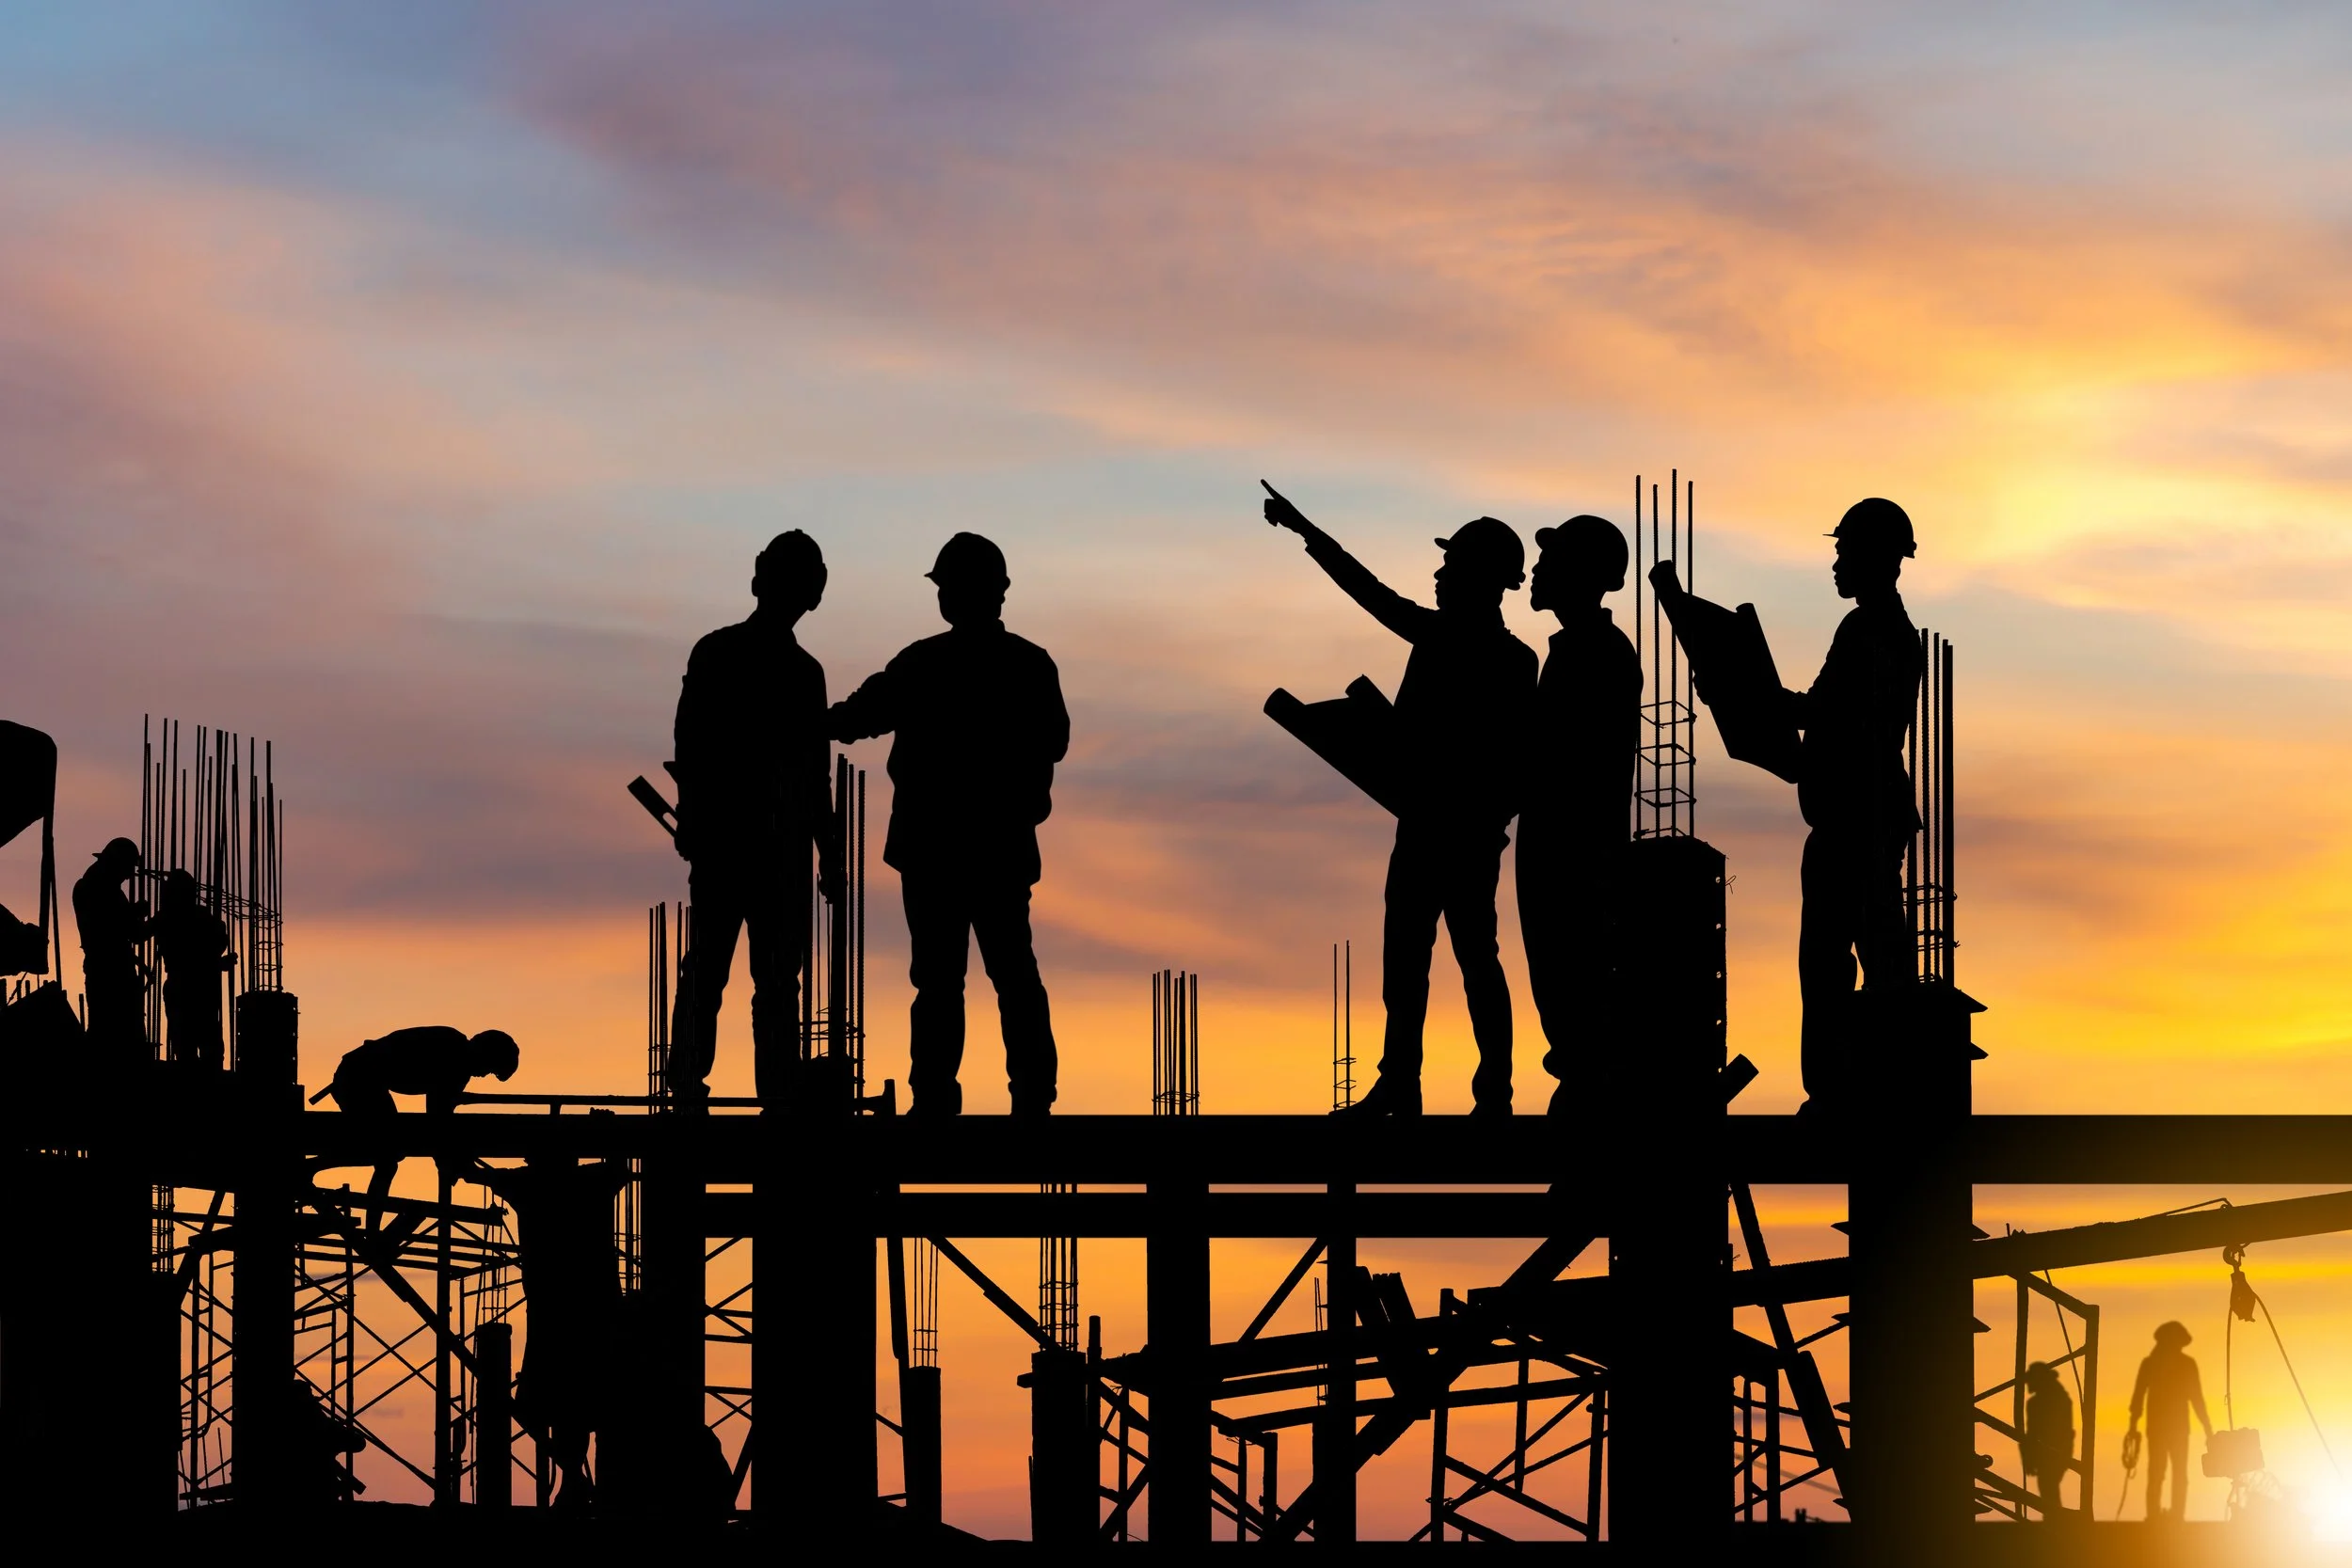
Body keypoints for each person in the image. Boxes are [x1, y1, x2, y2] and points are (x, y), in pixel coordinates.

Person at [1263, 489, 1537, 1117]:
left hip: (1458, 835)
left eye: (1452, 567)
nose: (1439, 576)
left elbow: (1524, 760)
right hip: (1429, 828)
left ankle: (1487, 1091)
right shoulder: (1475, 647)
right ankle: (1408, 1085)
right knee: (1411, 961)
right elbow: (1370, 592)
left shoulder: (1495, 656)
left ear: (1483, 579)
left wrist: (1307, 528)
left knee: (1470, 961)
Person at [832, 532, 1070, 1119]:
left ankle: (937, 1101)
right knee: (1011, 973)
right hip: (995, 849)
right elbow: (1056, 742)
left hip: (937, 849)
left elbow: (856, 718)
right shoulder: (1028, 665)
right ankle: (1031, 1099)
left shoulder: (923, 664)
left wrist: (802, 720)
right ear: (1001, 592)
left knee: (942, 982)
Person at [670, 529, 840, 1109]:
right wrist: (829, 853)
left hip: (759, 848)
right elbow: (691, 746)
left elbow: (813, 776)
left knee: (740, 978)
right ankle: (744, 1092)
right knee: (736, 977)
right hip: (747, 845)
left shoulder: (739, 657)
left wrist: (829, 852)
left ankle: (731, 1089)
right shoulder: (739, 658)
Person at [1787, 499, 1925, 1113]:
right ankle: (1864, 1084)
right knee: (1854, 954)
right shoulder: (1871, 630)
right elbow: (1824, 712)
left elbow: (1836, 718)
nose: (1836, 563)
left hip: (1858, 819)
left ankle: (1850, 1088)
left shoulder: (1877, 634)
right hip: (1854, 814)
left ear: (1875, 557)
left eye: (1845, 551)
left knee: (1840, 957)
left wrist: (1761, 699)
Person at [1517, 516, 1640, 1117]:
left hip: (1573, 854)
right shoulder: (1577, 650)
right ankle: (1582, 1094)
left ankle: (1587, 1109)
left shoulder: (1596, 654)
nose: (1538, 569)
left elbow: (1571, 760)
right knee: (1560, 986)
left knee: (1573, 983)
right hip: (1559, 845)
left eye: (1553, 557)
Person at [475, 1154, 630, 1511]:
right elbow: (621, 1168)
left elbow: (474, 1174)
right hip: (597, 1311)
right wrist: (607, 1133)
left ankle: (572, 1482)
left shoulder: (529, 1183)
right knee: (588, 1404)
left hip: (552, 1312)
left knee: (555, 1404)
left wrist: (456, 1157)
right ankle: (577, 1484)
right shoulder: (592, 1179)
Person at [312, 1026, 519, 1231]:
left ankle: (367, 1227)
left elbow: (438, 1119)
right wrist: (454, 1162)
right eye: (490, 1068)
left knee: (385, 1157)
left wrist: (450, 1158)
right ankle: (370, 1232)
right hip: (358, 1078)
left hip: (359, 1076)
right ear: (484, 1053)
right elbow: (437, 1120)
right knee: (386, 1158)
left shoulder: (454, 1047)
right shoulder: (455, 1058)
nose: (484, 1075)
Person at [2127, 1320, 2211, 1522]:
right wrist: (2132, 1426)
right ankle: (2160, 1514)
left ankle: (2171, 1514)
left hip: (2171, 1428)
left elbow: (2196, 1398)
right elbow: (2138, 1397)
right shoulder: (2155, 1364)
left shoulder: (2170, 1364)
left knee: (2168, 1473)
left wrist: (2208, 1427)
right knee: (2162, 1472)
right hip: (2165, 1428)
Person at [72, 836, 148, 1055]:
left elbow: (124, 931)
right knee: (118, 1035)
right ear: (116, 863)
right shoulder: (95, 889)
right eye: (128, 868)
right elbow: (106, 929)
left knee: (108, 1032)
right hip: (109, 972)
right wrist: (134, 915)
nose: (130, 875)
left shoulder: (101, 888)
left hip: (108, 968)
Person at [153, 868, 234, 1069]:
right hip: (201, 989)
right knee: (207, 1049)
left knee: (187, 1049)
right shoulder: (201, 916)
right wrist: (217, 962)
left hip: (182, 988)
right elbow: (216, 944)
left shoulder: (165, 917)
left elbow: (137, 935)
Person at [2022, 1360, 2075, 1518]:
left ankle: (2054, 1521)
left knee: (2048, 1487)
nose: (2028, 1384)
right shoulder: (2058, 1398)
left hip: (2053, 1452)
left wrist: (2029, 1458)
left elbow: (2033, 1433)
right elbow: (2032, 1433)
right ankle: (2054, 1520)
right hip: (2054, 1451)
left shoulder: (2048, 1401)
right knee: (2048, 1488)